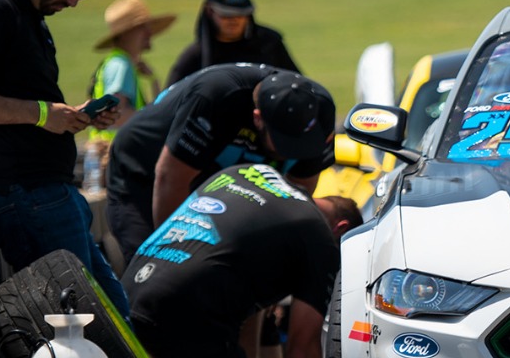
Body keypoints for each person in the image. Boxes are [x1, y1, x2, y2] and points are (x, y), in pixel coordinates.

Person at [123, 164, 360, 358]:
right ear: (342, 229)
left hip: (134, 286)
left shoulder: (253, 172)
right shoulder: (321, 239)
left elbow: (250, 319)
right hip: (189, 315)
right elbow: (302, 353)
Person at [0, 0, 130, 316]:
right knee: (96, 328)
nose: (73, 0)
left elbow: (24, 106)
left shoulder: (27, 15)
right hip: (24, 195)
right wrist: (46, 114)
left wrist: (74, 116)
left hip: (46, 194)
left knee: (111, 322)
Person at [105, 65, 336, 265]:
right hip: (144, 169)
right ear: (258, 119)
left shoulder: (320, 112)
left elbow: (296, 196)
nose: (290, 155)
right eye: (283, 145)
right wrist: (174, 259)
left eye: (298, 146)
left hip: (209, 173)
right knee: (154, 269)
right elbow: (170, 179)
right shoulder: (219, 96)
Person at [86, 0, 176, 183]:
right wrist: (153, 121)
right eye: (142, 27)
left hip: (111, 158)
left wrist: (153, 82)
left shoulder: (121, 63)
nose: (149, 32)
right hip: (114, 159)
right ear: (127, 33)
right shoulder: (121, 65)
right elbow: (117, 113)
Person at [165, 0, 299, 88]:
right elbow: (168, 103)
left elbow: (298, 85)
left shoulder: (269, 44)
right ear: (209, 11)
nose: (234, 20)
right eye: (226, 14)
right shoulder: (195, 56)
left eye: (241, 14)